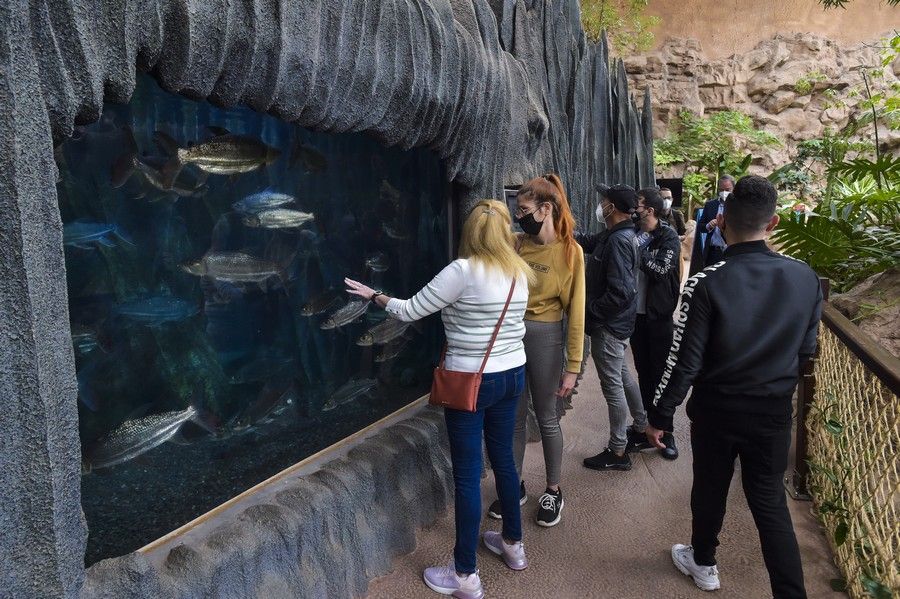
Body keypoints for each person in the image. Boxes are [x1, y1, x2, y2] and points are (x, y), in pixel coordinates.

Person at [345, 200, 534, 599]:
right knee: (503, 458)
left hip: (471, 380)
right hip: (514, 374)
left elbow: (411, 310)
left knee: (467, 474)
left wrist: (375, 295)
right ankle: (513, 545)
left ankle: (465, 574)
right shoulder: (519, 270)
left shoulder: (462, 271)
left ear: (471, 233)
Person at [645, 176, 823, 598]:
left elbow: (683, 361)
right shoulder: (805, 278)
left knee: (709, 485)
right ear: (774, 222)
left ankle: (704, 562)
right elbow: (806, 352)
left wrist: (660, 414)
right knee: (769, 502)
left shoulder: (706, 281)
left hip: (717, 410)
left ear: (722, 221)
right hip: (773, 410)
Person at [485, 174, 585, 528]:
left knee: (546, 416)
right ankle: (513, 485)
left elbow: (577, 313)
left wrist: (572, 365)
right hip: (512, 335)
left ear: (546, 209)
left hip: (547, 337)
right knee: (512, 417)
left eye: (524, 210)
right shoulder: (517, 244)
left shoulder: (571, 252)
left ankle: (554, 490)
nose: (520, 216)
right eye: (517, 210)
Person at [577, 184, 647, 472]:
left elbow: (621, 292)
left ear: (613, 208)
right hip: (618, 323)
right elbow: (588, 242)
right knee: (622, 374)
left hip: (609, 325)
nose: (601, 204)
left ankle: (618, 450)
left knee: (613, 387)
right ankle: (641, 426)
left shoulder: (619, 240)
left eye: (604, 201)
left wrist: (590, 312)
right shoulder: (616, 233)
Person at [627, 188, 681, 460]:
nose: (633, 208)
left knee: (661, 376)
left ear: (649, 209)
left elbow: (661, 270)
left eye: (638, 204)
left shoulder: (667, 236)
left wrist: (636, 249)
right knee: (644, 373)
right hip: (636, 316)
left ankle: (667, 431)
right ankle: (649, 428)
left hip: (658, 317)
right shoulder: (634, 230)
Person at [689, 175, 734, 276]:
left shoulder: (737, 206)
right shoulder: (710, 205)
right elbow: (700, 226)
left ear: (733, 189)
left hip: (731, 252)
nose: (724, 193)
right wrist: (708, 226)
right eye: (721, 189)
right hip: (713, 252)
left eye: (727, 189)